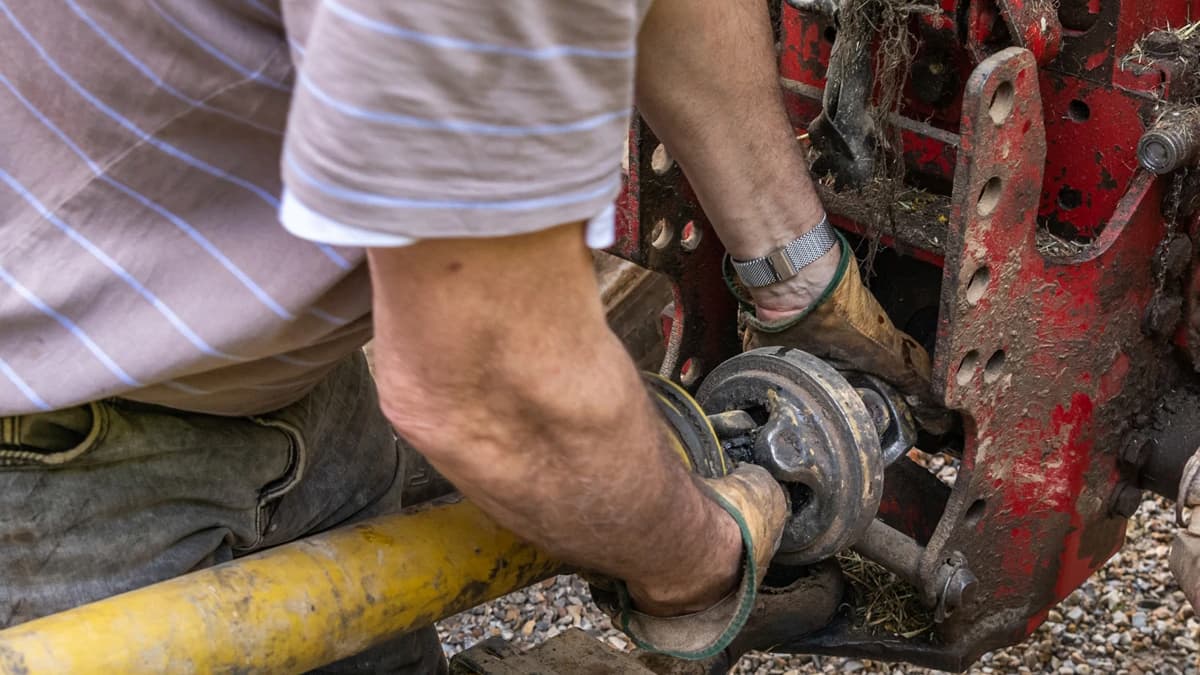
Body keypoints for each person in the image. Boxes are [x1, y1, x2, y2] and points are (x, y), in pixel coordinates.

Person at [0, 0, 929, 671]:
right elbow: (493, 390)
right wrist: (698, 563)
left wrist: (797, 271)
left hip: (287, 388)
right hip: (49, 463)